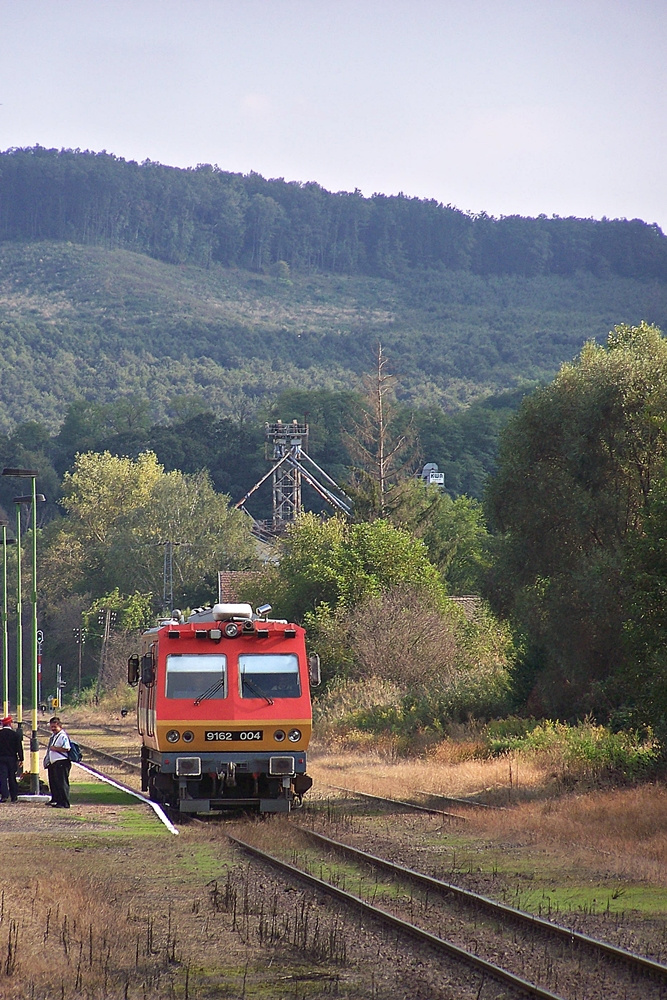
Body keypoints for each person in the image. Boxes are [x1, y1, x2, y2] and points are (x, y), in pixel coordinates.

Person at [44, 716, 71, 809]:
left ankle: (65, 802)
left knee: (62, 783)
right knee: (56, 783)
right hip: (55, 763)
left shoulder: (63, 736)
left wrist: (55, 748)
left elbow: (67, 748)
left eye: (54, 727)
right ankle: (58, 800)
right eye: (51, 727)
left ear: (60, 726)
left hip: (62, 762)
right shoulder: (54, 736)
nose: (53, 729)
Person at [0, 715, 23, 803]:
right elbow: (19, 747)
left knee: (2, 777)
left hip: (1, 758)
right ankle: (14, 796)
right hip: (12, 758)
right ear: (10, 724)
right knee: (12, 777)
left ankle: (4, 796)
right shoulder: (15, 735)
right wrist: (21, 759)